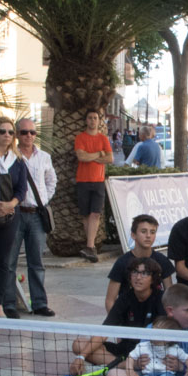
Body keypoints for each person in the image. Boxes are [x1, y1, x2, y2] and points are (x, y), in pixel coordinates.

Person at [71, 256, 165, 372]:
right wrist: (81, 357)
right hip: (125, 349)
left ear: (153, 279)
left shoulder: (161, 298)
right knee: (78, 344)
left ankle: (120, 364)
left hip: (148, 351)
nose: (138, 277)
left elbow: (164, 336)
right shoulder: (125, 298)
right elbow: (105, 331)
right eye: (135, 272)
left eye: (144, 273)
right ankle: (125, 365)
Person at [12, 116, 58, 313]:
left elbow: (51, 180)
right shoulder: (10, 155)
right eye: (24, 132)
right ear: (17, 134)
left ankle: (39, 303)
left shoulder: (44, 157)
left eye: (32, 132)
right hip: (15, 214)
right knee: (9, 261)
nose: (29, 136)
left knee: (37, 262)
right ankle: (8, 304)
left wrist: (43, 200)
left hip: (36, 214)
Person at [0, 116, 28, 318]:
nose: (7, 135)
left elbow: (22, 189)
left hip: (10, 216)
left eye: (11, 132)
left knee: (4, 261)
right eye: (3, 131)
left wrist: (10, 205)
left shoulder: (17, 160)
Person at [74, 109, 113, 262]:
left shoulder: (103, 138)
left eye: (95, 118)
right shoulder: (80, 137)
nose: (92, 120)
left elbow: (110, 159)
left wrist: (92, 156)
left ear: (99, 121)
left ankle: (90, 245)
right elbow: (81, 156)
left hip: (98, 180)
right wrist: (98, 154)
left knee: (95, 213)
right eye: (90, 118)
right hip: (83, 180)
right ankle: (90, 246)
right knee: (85, 213)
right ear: (86, 120)